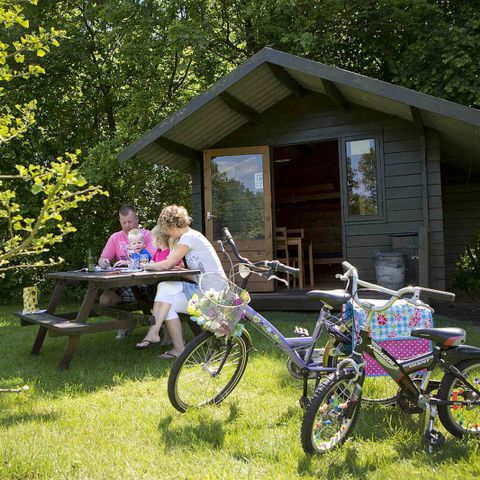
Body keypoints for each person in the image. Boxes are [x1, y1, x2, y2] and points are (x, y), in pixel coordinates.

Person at [135, 205, 225, 359]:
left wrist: (144, 266)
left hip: (213, 293)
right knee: (166, 303)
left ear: (173, 226)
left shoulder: (188, 238)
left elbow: (167, 264)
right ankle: (177, 348)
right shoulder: (190, 236)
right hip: (204, 287)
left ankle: (154, 333)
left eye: (167, 229)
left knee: (164, 290)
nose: (167, 233)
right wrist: (180, 270)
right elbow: (199, 273)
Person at [98, 204, 155, 307]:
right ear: (120, 221)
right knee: (105, 300)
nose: (127, 225)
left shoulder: (147, 235)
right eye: (124, 222)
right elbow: (102, 259)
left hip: (145, 282)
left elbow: (151, 259)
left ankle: (140, 307)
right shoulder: (115, 237)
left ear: (137, 219)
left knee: (150, 295)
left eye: (130, 221)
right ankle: (125, 320)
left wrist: (127, 262)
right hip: (123, 282)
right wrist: (103, 262)